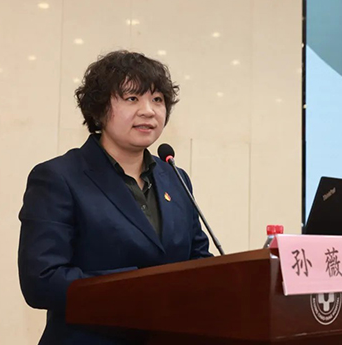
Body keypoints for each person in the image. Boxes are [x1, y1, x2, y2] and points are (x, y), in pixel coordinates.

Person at [18, 50, 212, 344]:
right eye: (132, 98)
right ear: (99, 109)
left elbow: (198, 262)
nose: (149, 111)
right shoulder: (59, 177)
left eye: (157, 99)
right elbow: (42, 281)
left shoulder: (175, 177)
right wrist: (143, 289)